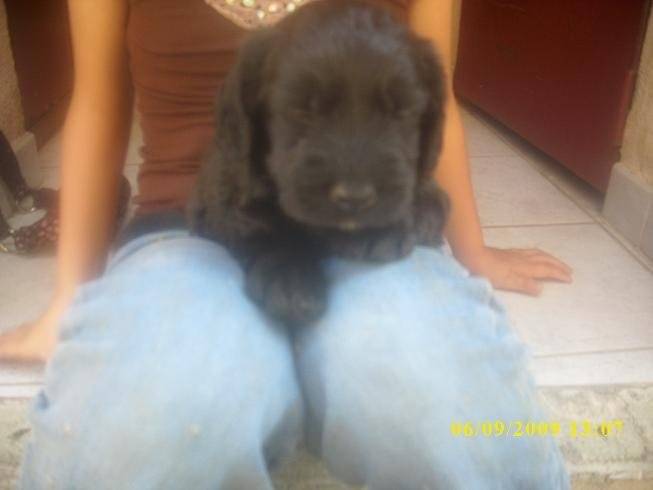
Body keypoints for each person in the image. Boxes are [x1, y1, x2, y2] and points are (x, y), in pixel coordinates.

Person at [1, 0, 572, 488]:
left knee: (429, 395)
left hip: (377, 230)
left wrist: (473, 250)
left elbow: (435, 102)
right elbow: (97, 100)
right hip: (197, 220)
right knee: (166, 408)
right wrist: (68, 296)